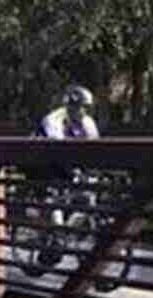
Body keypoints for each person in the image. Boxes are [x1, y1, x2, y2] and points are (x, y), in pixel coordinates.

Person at [30, 84, 100, 268]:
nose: (83, 111)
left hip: (64, 162)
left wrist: (95, 173)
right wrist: (75, 173)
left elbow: (96, 150)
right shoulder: (53, 120)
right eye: (80, 107)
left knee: (85, 193)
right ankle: (55, 240)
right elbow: (57, 152)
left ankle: (70, 233)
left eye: (87, 107)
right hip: (38, 162)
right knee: (53, 195)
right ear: (70, 106)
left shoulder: (88, 122)